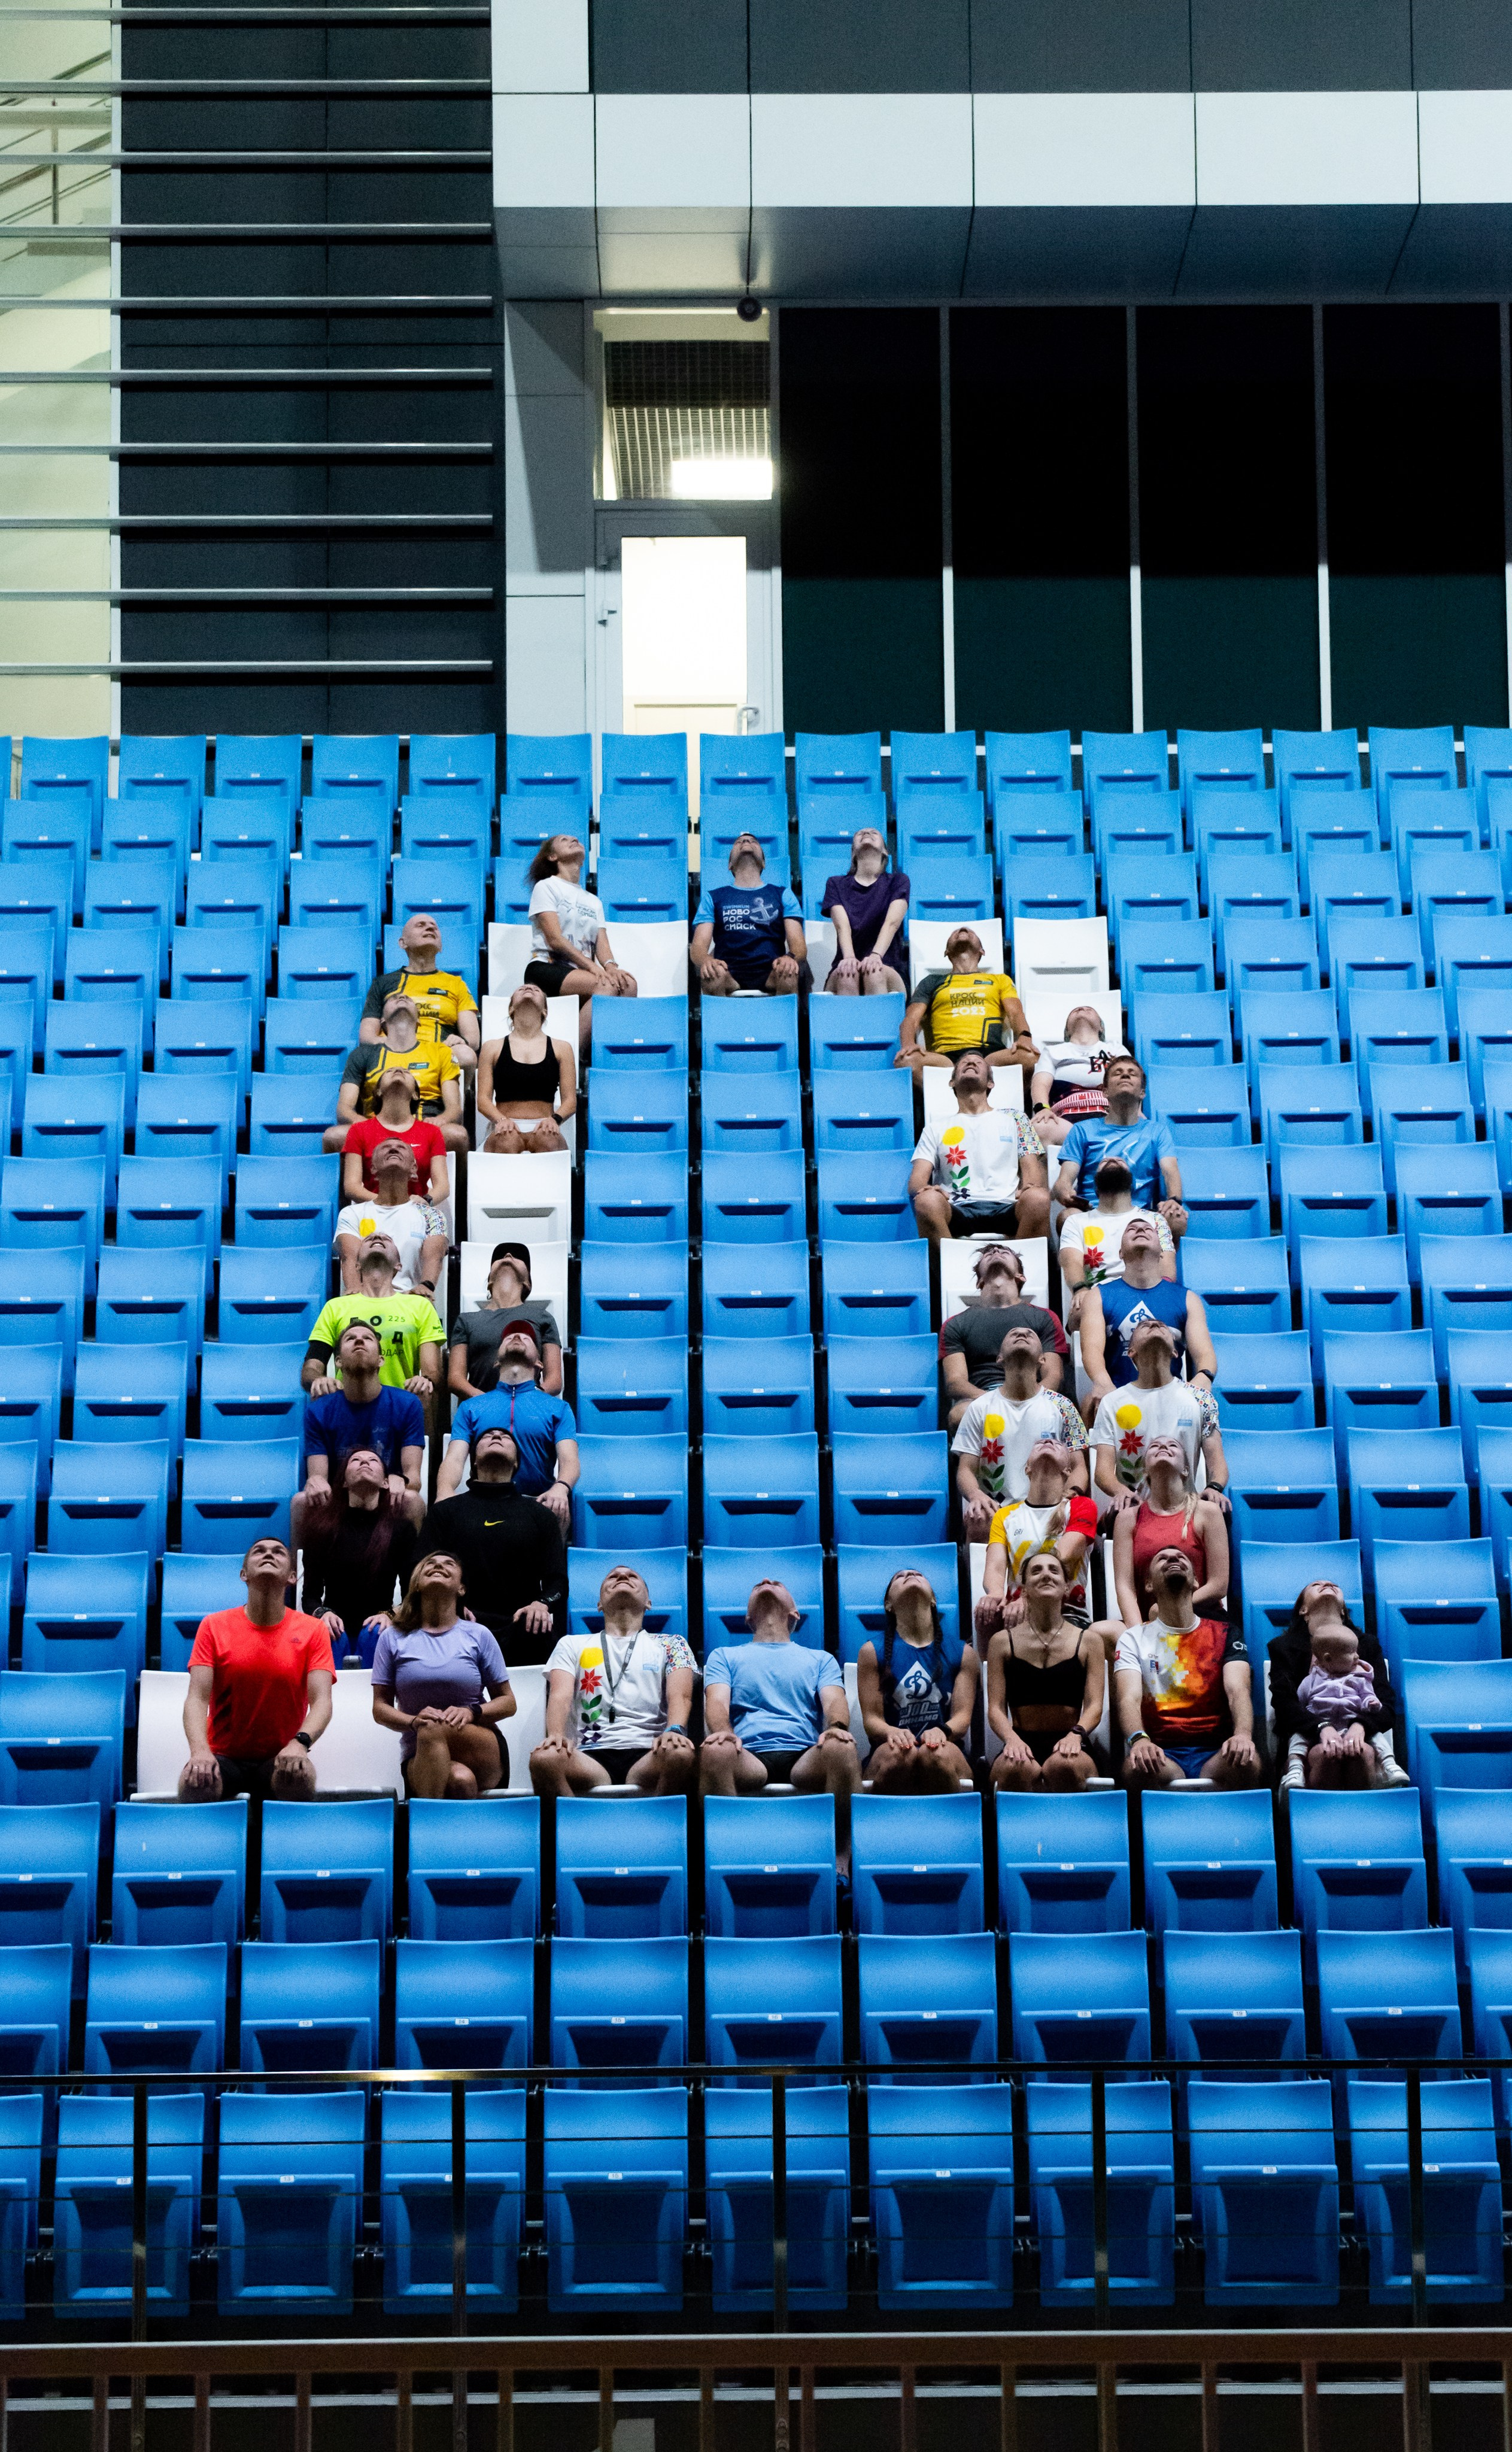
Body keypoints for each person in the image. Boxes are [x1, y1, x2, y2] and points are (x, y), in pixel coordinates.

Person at [700, 1580, 861, 1835]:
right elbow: (717, 1701)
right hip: (748, 1755)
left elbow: (834, 1701)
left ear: (795, 1614)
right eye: (757, 1585)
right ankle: (726, 1858)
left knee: (842, 1747)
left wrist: (836, 1727)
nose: (767, 1582)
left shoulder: (820, 1659)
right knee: (716, 1751)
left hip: (806, 1756)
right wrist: (723, 1732)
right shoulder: (724, 1656)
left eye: (777, 1583)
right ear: (748, 1618)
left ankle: (842, 1862)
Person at [178, 1537, 334, 1801]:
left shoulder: (314, 1630)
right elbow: (196, 1698)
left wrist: (300, 1744)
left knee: (299, 1778)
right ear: (243, 1574)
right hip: (223, 1756)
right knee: (196, 1782)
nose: (268, 1555)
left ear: (293, 1577)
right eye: (259, 1551)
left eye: (278, 1552)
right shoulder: (213, 1626)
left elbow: (322, 1702)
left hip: (282, 1755)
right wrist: (200, 1751)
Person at [530, 1563, 697, 1795]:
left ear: (648, 1603)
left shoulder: (673, 1644)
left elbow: (681, 1695)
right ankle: (574, 1827)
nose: (622, 1576)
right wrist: (556, 1736)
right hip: (589, 1755)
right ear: (599, 1605)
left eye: (632, 1576)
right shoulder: (571, 1644)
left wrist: (675, 1729)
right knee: (544, 1759)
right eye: (613, 1577)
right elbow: (560, 1695)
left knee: (681, 1754)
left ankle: (655, 1824)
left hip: (649, 1752)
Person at [414, 1425, 569, 1667]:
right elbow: (420, 1569)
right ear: (474, 1461)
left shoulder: (541, 1515)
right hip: (458, 1620)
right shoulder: (445, 1512)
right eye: (486, 1437)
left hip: (520, 1624)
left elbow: (557, 1580)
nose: (496, 1436)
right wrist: (450, 1607)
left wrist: (542, 1603)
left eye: (506, 1438)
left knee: (539, 1629)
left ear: (517, 1462)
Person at [371, 1551, 515, 1796]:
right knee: (459, 1780)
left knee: (433, 1727)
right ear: (415, 1583)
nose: (439, 1565)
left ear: (461, 1589)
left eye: (449, 1564)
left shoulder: (479, 1635)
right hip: (420, 1751)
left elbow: (508, 1702)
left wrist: (472, 1712)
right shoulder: (391, 1638)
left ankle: (420, 1828)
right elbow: (380, 1708)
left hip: (478, 1741)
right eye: (430, 1563)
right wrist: (414, 1722)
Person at [1115, 1546, 1258, 1788]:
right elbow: (1128, 1699)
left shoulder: (1225, 1633)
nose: (1173, 1558)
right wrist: (1139, 1740)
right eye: (1162, 1558)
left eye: (1182, 1557)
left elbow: (1238, 1691)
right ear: (1149, 1585)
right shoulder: (1133, 1638)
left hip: (1216, 1750)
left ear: (1195, 1582)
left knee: (1248, 1763)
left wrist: (1243, 1734)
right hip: (1160, 1751)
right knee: (1136, 1768)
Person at [296, 1322, 426, 1563]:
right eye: (350, 1339)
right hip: (339, 1498)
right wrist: (314, 1481)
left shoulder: (407, 1404)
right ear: (338, 1362)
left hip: (388, 1496)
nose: (359, 1341)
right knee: (301, 1502)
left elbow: (414, 1477)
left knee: (412, 1500)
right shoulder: (319, 1411)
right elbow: (318, 1478)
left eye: (367, 1338)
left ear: (380, 1361)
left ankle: (413, 1590)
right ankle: (303, 1588)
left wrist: (402, 1480)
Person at [953, 1322, 1090, 1540]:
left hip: (1050, 1506)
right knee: (977, 1517)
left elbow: (1079, 1467)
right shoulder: (979, 1408)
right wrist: (976, 1494)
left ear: (1042, 1360)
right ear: (999, 1359)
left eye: (1030, 1334)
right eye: (1013, 1334)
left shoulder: (1063, 1406)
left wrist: (1068, 1498)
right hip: (997, 1511)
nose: (1021, 1333)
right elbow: (966, 1470)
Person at [436, 1320, 577, 1525]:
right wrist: (444, 1492)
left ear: (539, 1363)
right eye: (509, 1337)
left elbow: (570, 1459)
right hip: (481, 1501)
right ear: (496, 1362)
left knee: (558, 1508)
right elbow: (455, 1459)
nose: (517, 1336)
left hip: (536, 1502)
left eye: (527, 1338)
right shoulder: (471, 1407)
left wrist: (561, 1487)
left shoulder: (559, 1408)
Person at [986, 1552, 1106, 1791]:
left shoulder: (1090, 1641)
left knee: (1065, 1765)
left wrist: (1076, 1736)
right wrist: (1012, 1740)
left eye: (1054, 1570)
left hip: (1072, 1739)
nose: (1046, 1575)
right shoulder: (1001, 1642)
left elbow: (1094, 1707)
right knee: (1015, 1767)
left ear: (1066, 1587)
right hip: (1020, 1740)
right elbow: (995, 1709)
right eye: (1036, 1570)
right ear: (1024, 1588)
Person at [1269, 1580, 1406, 1791]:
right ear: (1303, 1610)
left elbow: (1386, 1704)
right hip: (1308, 1737)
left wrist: (1359, 1726)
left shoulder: (1367, 1645)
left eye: (1334, 1584)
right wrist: (1323, 1728)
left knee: (1360, 1752)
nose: (1327, 1584)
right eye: (1316, 1585)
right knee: (1327, 1754)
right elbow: (1285, 1705)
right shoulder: (1283, 1648)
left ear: (1343, 1610)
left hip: (1360, 1735)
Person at [908, 1051, 1049, 1245]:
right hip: (956, 1208)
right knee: (926, 1201)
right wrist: (930, 1191)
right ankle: (948, 1269)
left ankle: (1018, 1265)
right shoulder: (936, 1127)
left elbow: (1032, 1176)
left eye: (978, 1063)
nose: (971, 1062)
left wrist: (1029, 1190)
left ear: (990, 1083)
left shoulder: (1016, 1119)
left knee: (1038, 1198)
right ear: (952, 1083)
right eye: (964, 1062)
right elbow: (917, 1182)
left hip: (1007, 1206)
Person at [856, 1567, 977, 1791]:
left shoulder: (963, 1653)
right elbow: (872, 1720)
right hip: (891, 1746)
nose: (910, 1576)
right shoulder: (872, 1651)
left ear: (933, 1600)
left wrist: (943, 1731)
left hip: (946, 1744)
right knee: (904, 1755)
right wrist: (892, 1732)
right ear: (888, 1606)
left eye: (918, 1575)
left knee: (935, 1754)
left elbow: (962, 1717)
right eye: (899, 1577)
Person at [1089, 1316, 1228, 1509]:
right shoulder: (1111, 1402)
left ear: (1175, 1352)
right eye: (1144, 1326)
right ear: (1131, 1352)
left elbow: (1217, 1463)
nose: (1154, 1324)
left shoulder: (1201, 1399)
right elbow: (1102, 1472)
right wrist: (1123, 1493)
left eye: (1163, 1325)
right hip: (1136, 1512)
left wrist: (1214, 1488)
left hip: (1186, 1509)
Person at [299, 1447, 420, 1667]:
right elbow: (310, 1596)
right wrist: (322, 1614)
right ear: (344, 1483)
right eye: (355, 1460)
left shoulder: (401, 1530)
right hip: (334, 1624)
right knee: (329, 1635)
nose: (364, 1462)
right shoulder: (322, 1529)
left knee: (375, 1635)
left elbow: (413, 1591)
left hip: (380, 1624)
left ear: (386, 1483)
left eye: (373, 1460)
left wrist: (391, 1616)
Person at [1051, 1054, 1186, 1243]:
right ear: (1104, 1091)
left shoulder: (1157, 1131)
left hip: (1142, 1216)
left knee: (1177, 1220)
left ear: (1142, 1092)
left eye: (1132, 1074)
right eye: (1118, 1073)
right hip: (1093, 1212)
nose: (1125, 1076)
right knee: (1067, 1218)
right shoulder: (1082, 1130)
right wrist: (1064, 1192)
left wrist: (1175, 1201)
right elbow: (1063, 1181)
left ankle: (1160, 1274)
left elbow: (1170, 1171)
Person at [1078, 1212, 1215, 1398]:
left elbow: (1204, 1353)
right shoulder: (1098, 1296)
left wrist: (1203, 1378)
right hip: (1118, 1398)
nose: (1140, 1229)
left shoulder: (1188, 1299)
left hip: (1171, 1401)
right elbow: (1092, 1350)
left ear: (1161, 1252)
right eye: (1131, 1230)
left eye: (1148, 1229)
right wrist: (1103, 1383)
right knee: (1090, 1402)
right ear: (1121, 1253)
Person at [525, 832, 637, 1057]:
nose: (573, 840)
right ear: (552, 857)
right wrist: (594, 968)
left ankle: (605, 1055)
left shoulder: (593, 901)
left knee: (628, 985)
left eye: (575, 839)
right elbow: (555, 939)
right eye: (564, 840)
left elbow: (602, 944)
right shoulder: (546, 887)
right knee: (605, 986)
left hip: (580, 973)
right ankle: (569, 1057)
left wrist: (612, 969)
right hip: (546, 967)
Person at [304, 1236, 445, 1413]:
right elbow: (312, 1366)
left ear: (398, 1266)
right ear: (357, 1266)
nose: (378, 1235)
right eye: (367, 1239)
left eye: (388, 1239)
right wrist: (318, 1380)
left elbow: (432, 1372)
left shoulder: (420, 1306)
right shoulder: (336, 1307)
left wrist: (426, 1381)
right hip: (348, 1410)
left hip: (400, 1410)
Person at [976, 1438, 1101, 1638]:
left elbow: (1063, 1557)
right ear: (1027, 1468)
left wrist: (1030, 1599)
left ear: (1068, 1471)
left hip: (1068, 1612)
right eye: (1038, 1443)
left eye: (1059, 1445)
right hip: (1017, 1615)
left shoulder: (1082, 1506)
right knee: (985, 1613)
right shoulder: (1005, 1515)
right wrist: (995, 1594)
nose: (1048, 1441)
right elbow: (995, 1568)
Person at [939, 1242, 1067, 1426]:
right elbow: (955, 1383)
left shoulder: (1045, 1318)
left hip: (1033, 1395)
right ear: (979, 1281)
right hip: (982, 1398)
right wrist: (997, 1401)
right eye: (988, 1253)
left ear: (1020, 1276)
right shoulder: (955, 1324)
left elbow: (1054, 1376)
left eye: (1005, 1251)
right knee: (960, 1414)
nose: (996, 1251)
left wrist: (1028, 1400)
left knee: (1063, 1412)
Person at [1112, 1434, 1229, 1630]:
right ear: (1145, 1471)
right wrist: (1139, 1634)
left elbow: (1219, 1585)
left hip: (1201, 1620)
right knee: (1101, 1632)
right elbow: (1125, 1588)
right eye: (1154, 1446)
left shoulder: (1208, 1512)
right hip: (1151, 1623)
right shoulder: (1127, 1519)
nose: (1163, 1447)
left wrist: (1170, 1607)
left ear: (1185, 1469)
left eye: (1172, 1445)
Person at [327, 990, 466, 1157]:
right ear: (383, 1021)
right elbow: (344, 1109)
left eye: (408, 998)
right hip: (375, 1129)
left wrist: (440, 1120)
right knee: (333, 1136)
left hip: (425, 1128)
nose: (402, 997)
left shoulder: (441, 1051)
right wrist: (367, 1126)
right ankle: (350, 1182)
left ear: (418, 1021)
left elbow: (454, 1109)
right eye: (393, 999)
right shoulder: (362, 1054)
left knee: (457, 1135)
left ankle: (452, 1183)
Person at [894, 925, 1037, 1075]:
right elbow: (911, 1019)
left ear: (982, 951)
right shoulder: (931, 982)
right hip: (945, 1058)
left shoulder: (1000, 980)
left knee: (1027, 1057)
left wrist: (1025, 1038)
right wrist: (908, 1045)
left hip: (991, 1054)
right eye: (954, 933)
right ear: (947, 952)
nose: (963, 929)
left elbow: (1015, 1013)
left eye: (972, 932)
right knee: (906, 1061)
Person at [1058, 1156, 1177, 1331]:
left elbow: (1167, 1266)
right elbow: (1071, 1263)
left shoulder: (1155, 1220)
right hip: (1098, 1297)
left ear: (1132, 1183)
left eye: (1121, 1162)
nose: (1112, 1160)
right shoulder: (1075, 1222)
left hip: (1146, 1290)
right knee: (1080, 1311)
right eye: (1103, 1163)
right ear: (1096, 1187)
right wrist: (1080, 1289)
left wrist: (1160, 1297)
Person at [359, 911, 479, 1075]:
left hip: (438, 1053)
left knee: (466, 1055)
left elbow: (473, 1039)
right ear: (403, 943)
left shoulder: (456, 984)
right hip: (395, 1052)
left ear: (441, 946)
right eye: (421, 925)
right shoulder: (383, 983)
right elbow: (366, 1037)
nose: (430, 928)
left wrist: (461, 1041)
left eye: (434, 927)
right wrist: (401, 1046)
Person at [691, 833, 808, 996]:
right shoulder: (713, 897)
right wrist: (707, 961)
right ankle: (720, 1021)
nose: (746, 841)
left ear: (764, 863)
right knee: (712, 974)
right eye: (739, 842)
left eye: (754, 841)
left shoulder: (783, 894)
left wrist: (790, 957)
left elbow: (799, 946)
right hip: (728, 972)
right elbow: (698, 947)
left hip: (772, 971)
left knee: (789, 973)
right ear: (730, 864)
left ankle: (783, 1020)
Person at [333, 1133, 448, 1295]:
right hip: (366, 1298)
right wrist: (357, 1301)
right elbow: (349, 1258)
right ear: (373, 1168)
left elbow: (434, 1257)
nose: (393, 1148)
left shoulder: (433, 1216)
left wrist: (426, 1287)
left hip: (410, 1299)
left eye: (401, 1148)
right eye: (386, 1148)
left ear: (414, 1168)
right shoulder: (352, 1213)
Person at [448, 1242, 563, 1401]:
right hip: (481, 1411)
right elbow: (455, 1379)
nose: (508, 1256)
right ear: (489, 1280)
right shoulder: (466, 1320)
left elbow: (555, 1381)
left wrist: (528, 1400)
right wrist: (487, 1402)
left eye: (517, 1256)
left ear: (527, 1283)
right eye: (500, 1256)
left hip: (527, 1409)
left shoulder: (544, 1318)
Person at [476, 981, 576, 1155]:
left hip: (545, 1125)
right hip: (504, 1125)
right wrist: (501, 1120)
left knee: (548, 1139)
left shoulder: (563, 1048)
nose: (528, 988)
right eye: (521, 989)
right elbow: (483, 1101)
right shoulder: (492, 1048)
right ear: (511, 1009)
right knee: (507, 1139)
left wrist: (555, 1120)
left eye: (536, 989)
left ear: (545, 1011)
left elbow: (570, 1102)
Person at [340, 1063, 450, 1206]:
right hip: (374, 1212)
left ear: (415, 1094)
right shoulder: (358, 1130)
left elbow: (443, 1187)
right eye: (389, 1071)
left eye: (406, 1072)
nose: (398, 1070)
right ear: (378, 1091)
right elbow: (352, 1187)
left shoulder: (432, 1132)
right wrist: (386, 1204)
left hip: (416, 1211)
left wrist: (424, 1201)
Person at [1029, 1003, 1132, 1150]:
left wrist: (1137, 1110)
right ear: (1067, 1030)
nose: (1082, 1009)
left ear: (1101, 1028)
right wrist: (1042, 1109)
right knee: (1041, 1127)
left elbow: (1132, 1080)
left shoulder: (1116, 1049)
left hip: (1110, 1117)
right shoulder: (1053, 1052)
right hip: (1066, 1122)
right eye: (1075, 1011)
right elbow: (1041, 1083)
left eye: (1090, 1010)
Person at [821, 826, 909, 994]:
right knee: (848, 974)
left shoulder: (898, 881)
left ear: (885, 851)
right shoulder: (835, 883)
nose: (867, 833)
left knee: (874, 972)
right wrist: (849, 959)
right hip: (845, 965)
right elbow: (842, 927)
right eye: (860, 834)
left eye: (874, 833)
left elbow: (892, 923)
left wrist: (876, 956)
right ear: (853, 852)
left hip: (888, 965)